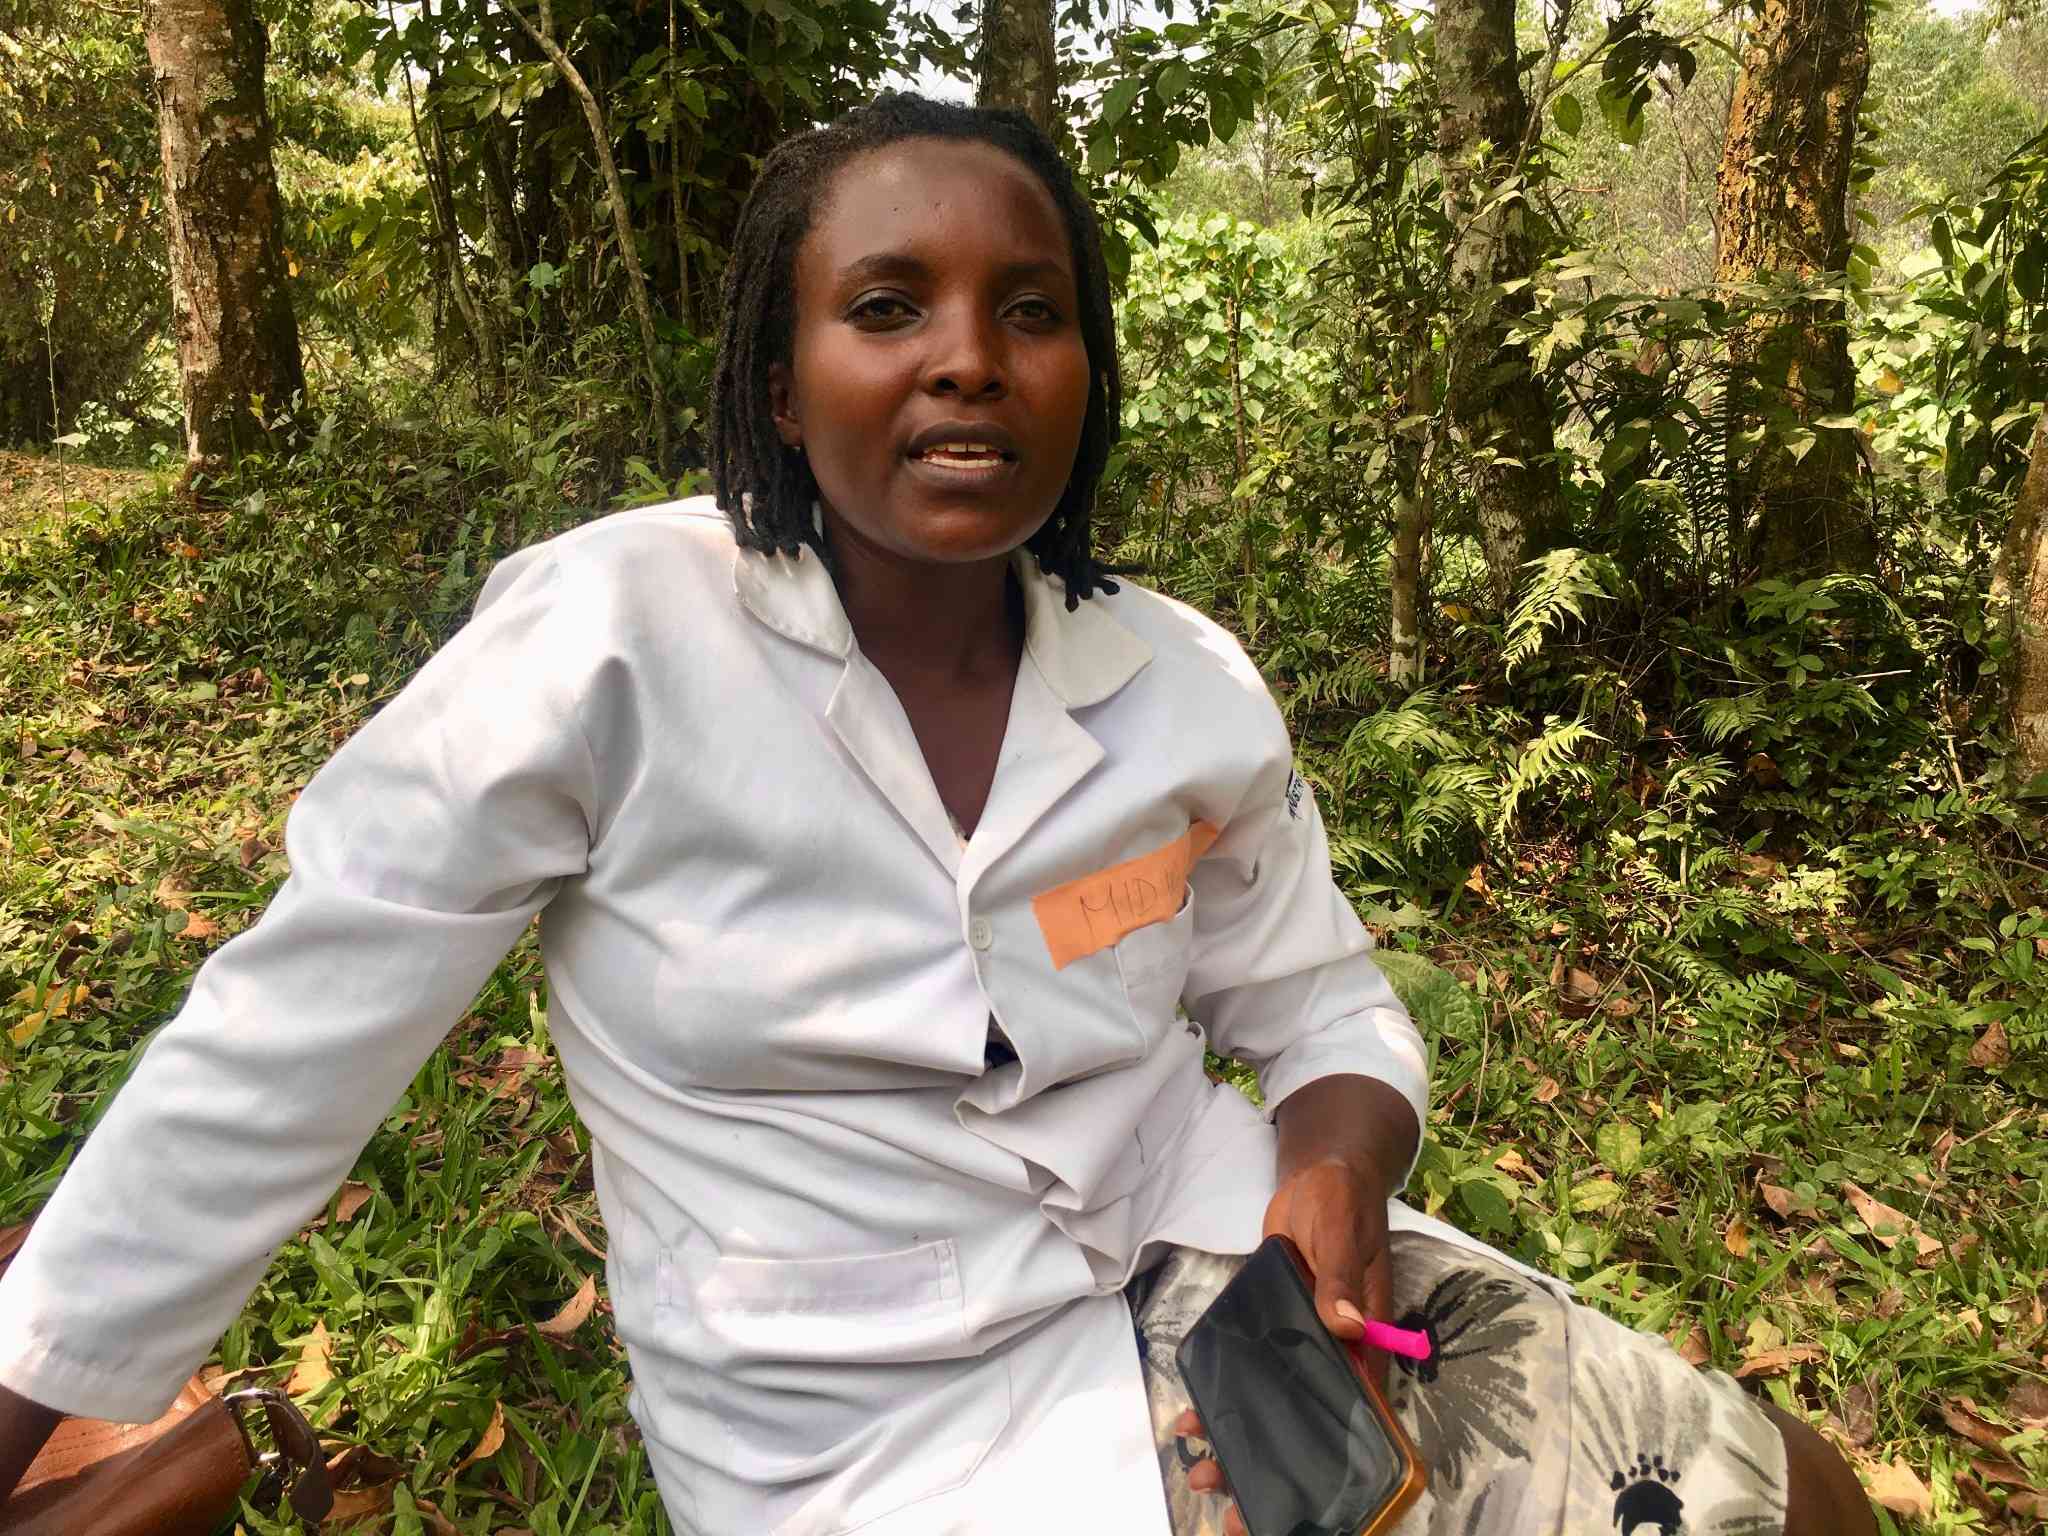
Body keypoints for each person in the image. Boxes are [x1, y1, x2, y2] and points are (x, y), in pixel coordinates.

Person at [0, 93, 1873, 1536]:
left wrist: (1335, 1173)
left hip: (1233, 1275)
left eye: (1030, 311)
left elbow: (1318, 1011)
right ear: (780, 378)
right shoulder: (608, 646)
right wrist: (26, 1402)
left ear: (1086, 378)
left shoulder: (1180, 686)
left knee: (1783, 1487)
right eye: (886, 307)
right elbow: (277, 1051)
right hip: (854, 1416)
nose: (966, 356)